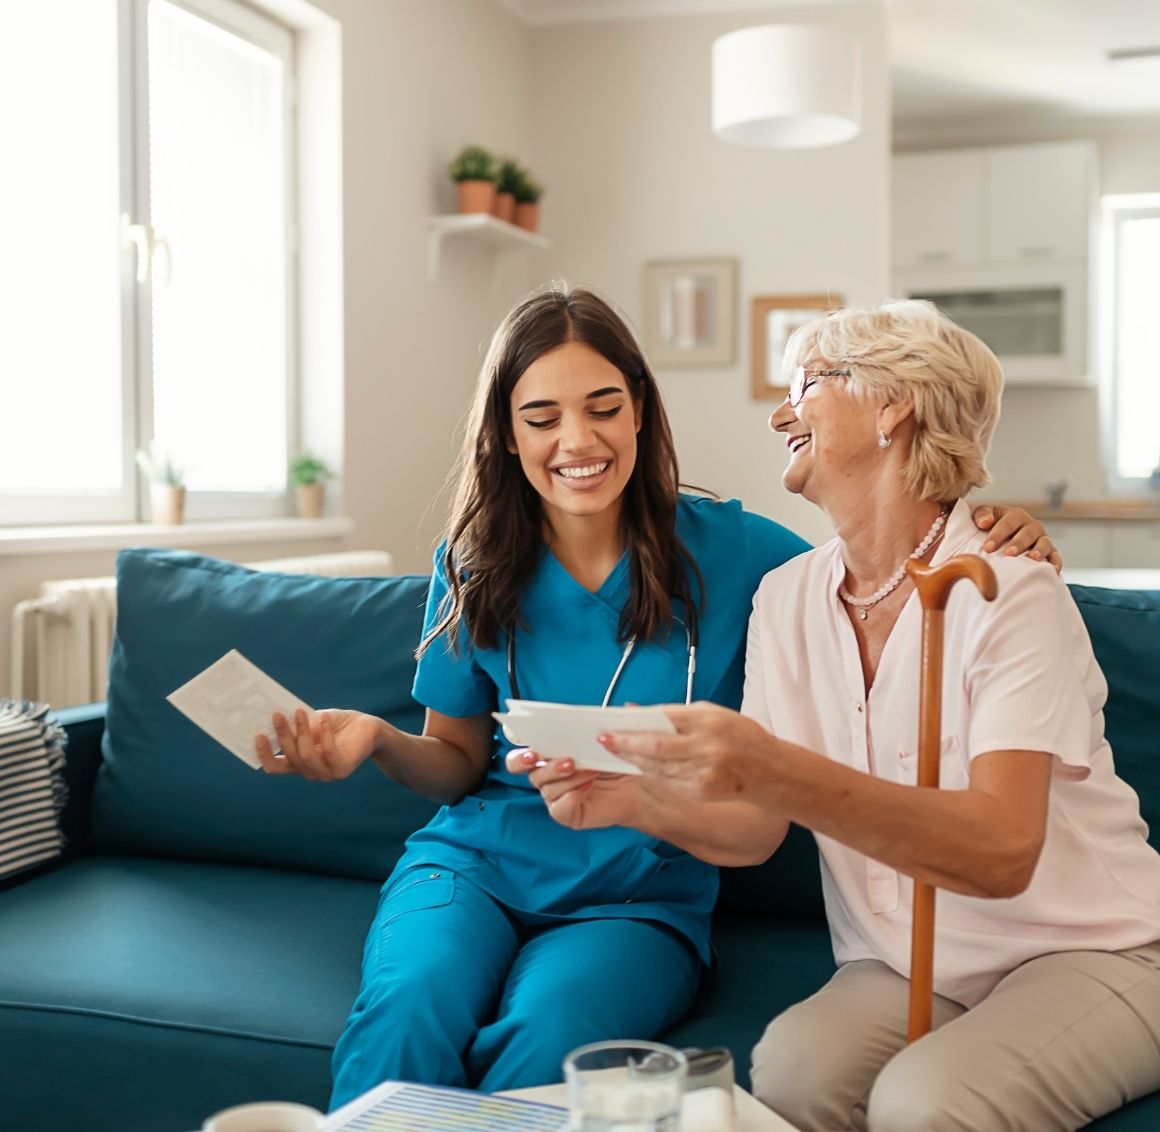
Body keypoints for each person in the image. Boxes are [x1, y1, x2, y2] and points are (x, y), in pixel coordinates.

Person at [253, 287, 1056, 1108]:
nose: (577, 440)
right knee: (407, 1012)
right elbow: (456, 764)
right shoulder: (471, 562)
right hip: (474, 866)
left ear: (640, 409)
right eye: (541, 417)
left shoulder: (738, 552)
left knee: (547, 1039)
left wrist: (987, 524)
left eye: (604, 407)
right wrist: (377, 742)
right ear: (505, 433)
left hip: (638, 893)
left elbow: (884, 552)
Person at [519, 299, 1160, 1132]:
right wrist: (629, 801)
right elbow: (753, 827)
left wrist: (773, 766)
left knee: (926, 1103)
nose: (783, 413)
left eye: (807, 385)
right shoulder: (788, 599)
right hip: (905, 963)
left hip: (1089, 948)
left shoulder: (1007, 588)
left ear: (895, 405)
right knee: (791, 1070)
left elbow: (1002, 852)